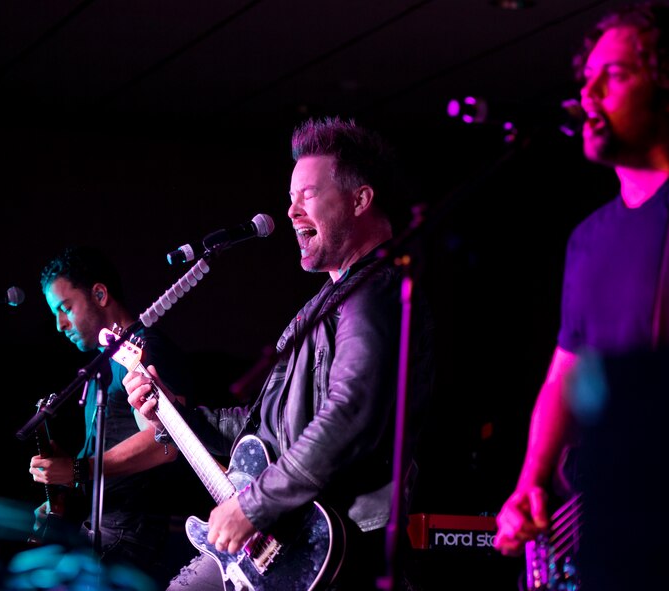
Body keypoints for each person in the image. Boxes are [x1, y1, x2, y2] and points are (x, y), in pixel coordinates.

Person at [122, 116, 436, 591]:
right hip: (289, 537)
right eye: (290, 198)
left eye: (307, 195)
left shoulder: (376, 291)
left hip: (336, 545)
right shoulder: (324, 305)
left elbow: (349, 415)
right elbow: (263, 428)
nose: (290, 212)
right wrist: (172, 413)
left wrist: (252, 506)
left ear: (360, 199)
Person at [493, 0, 669, 571]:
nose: (588, 95)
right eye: (586, 80)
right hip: (593, 521)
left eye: (613, 75)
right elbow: (565, 373)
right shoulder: (587, 239)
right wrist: (530, 484)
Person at [27, 245, 201, 587]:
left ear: (100, 294)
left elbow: (167, 444)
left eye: (65, 308)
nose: (60, 325)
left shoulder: (144, 348)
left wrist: (78, 469)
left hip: (129, 537)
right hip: (100, 527)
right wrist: (64, 490)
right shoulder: (101, 363)